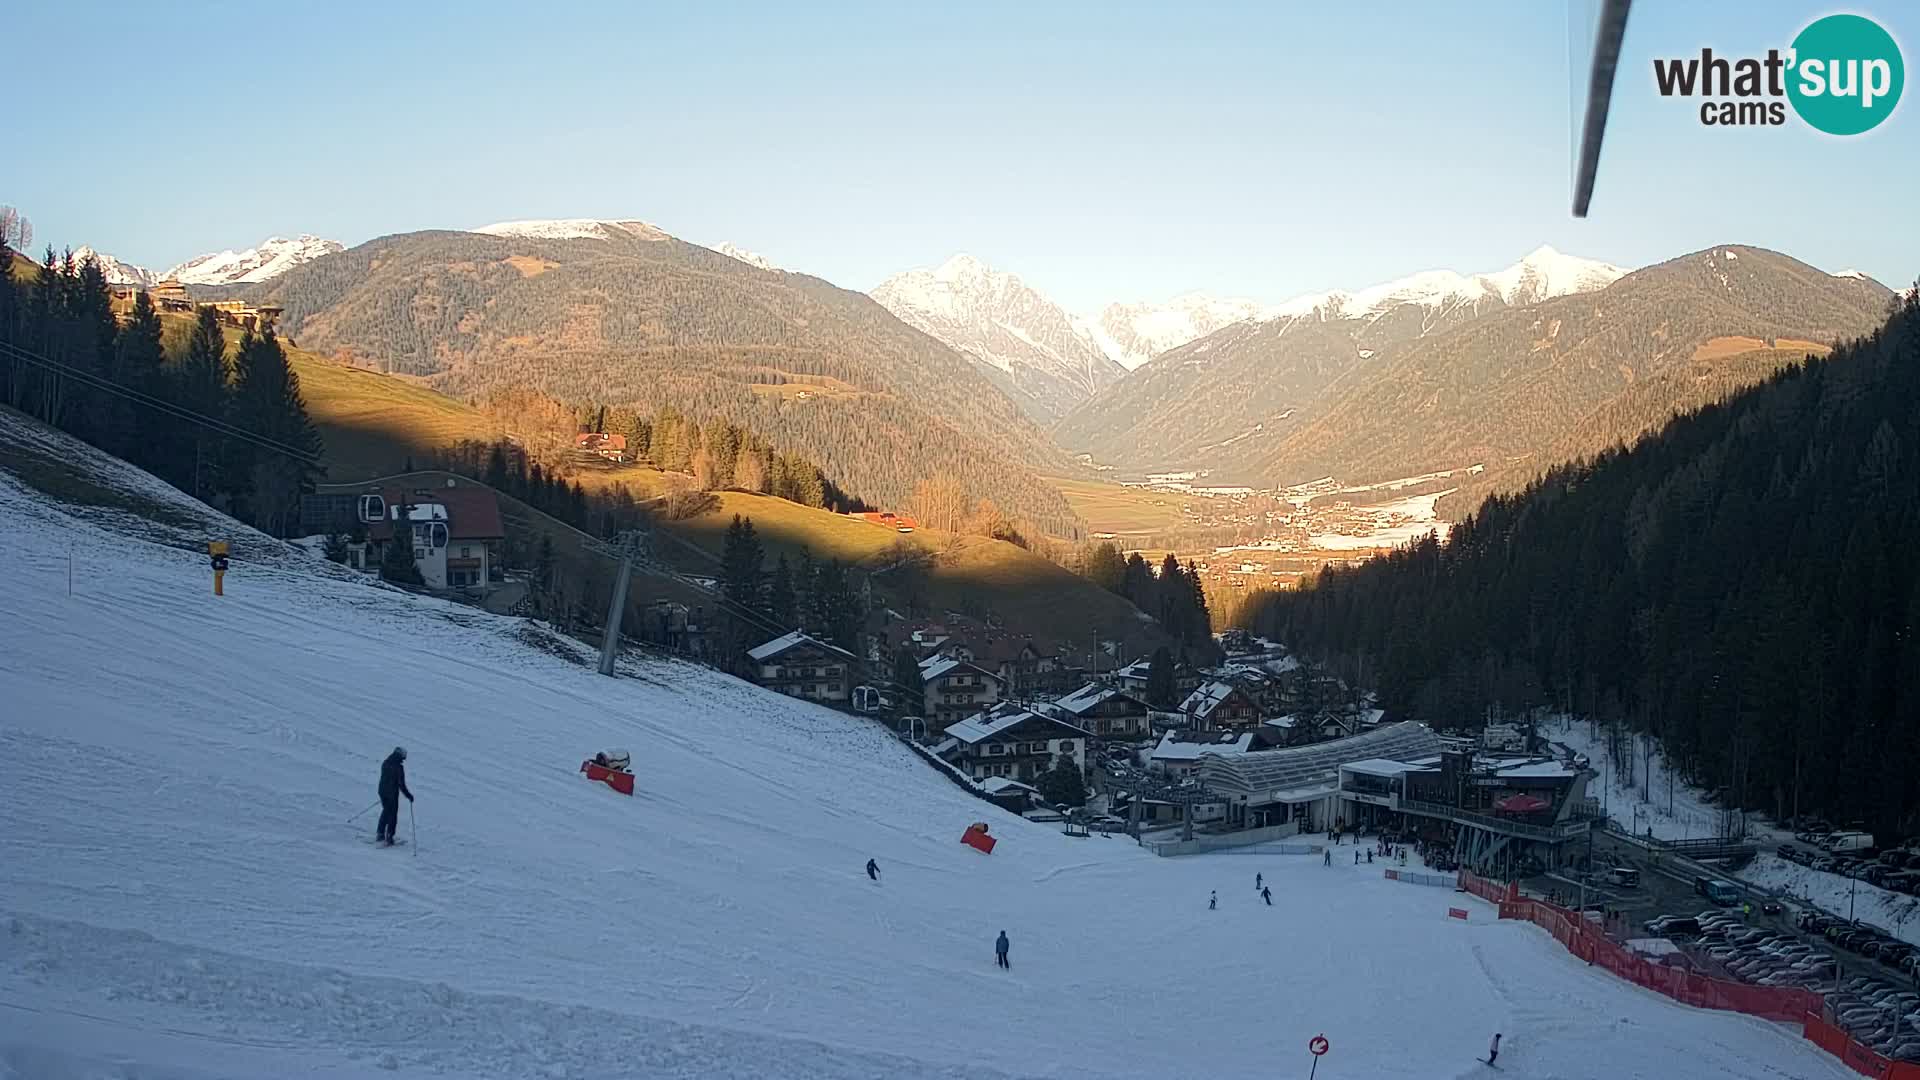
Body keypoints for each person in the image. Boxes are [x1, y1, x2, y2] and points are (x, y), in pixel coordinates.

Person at [377, 746, 413, 846]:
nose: (404, 758)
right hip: (391, 794)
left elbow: (386, 778)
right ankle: (389, 836)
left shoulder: (386, 762)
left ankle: (380, 834)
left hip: (382, 791)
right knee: (392, 815)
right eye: (403, 755)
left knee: (386, 811)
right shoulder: (398, 767)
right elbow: (401, 784)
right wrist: (409, 796)